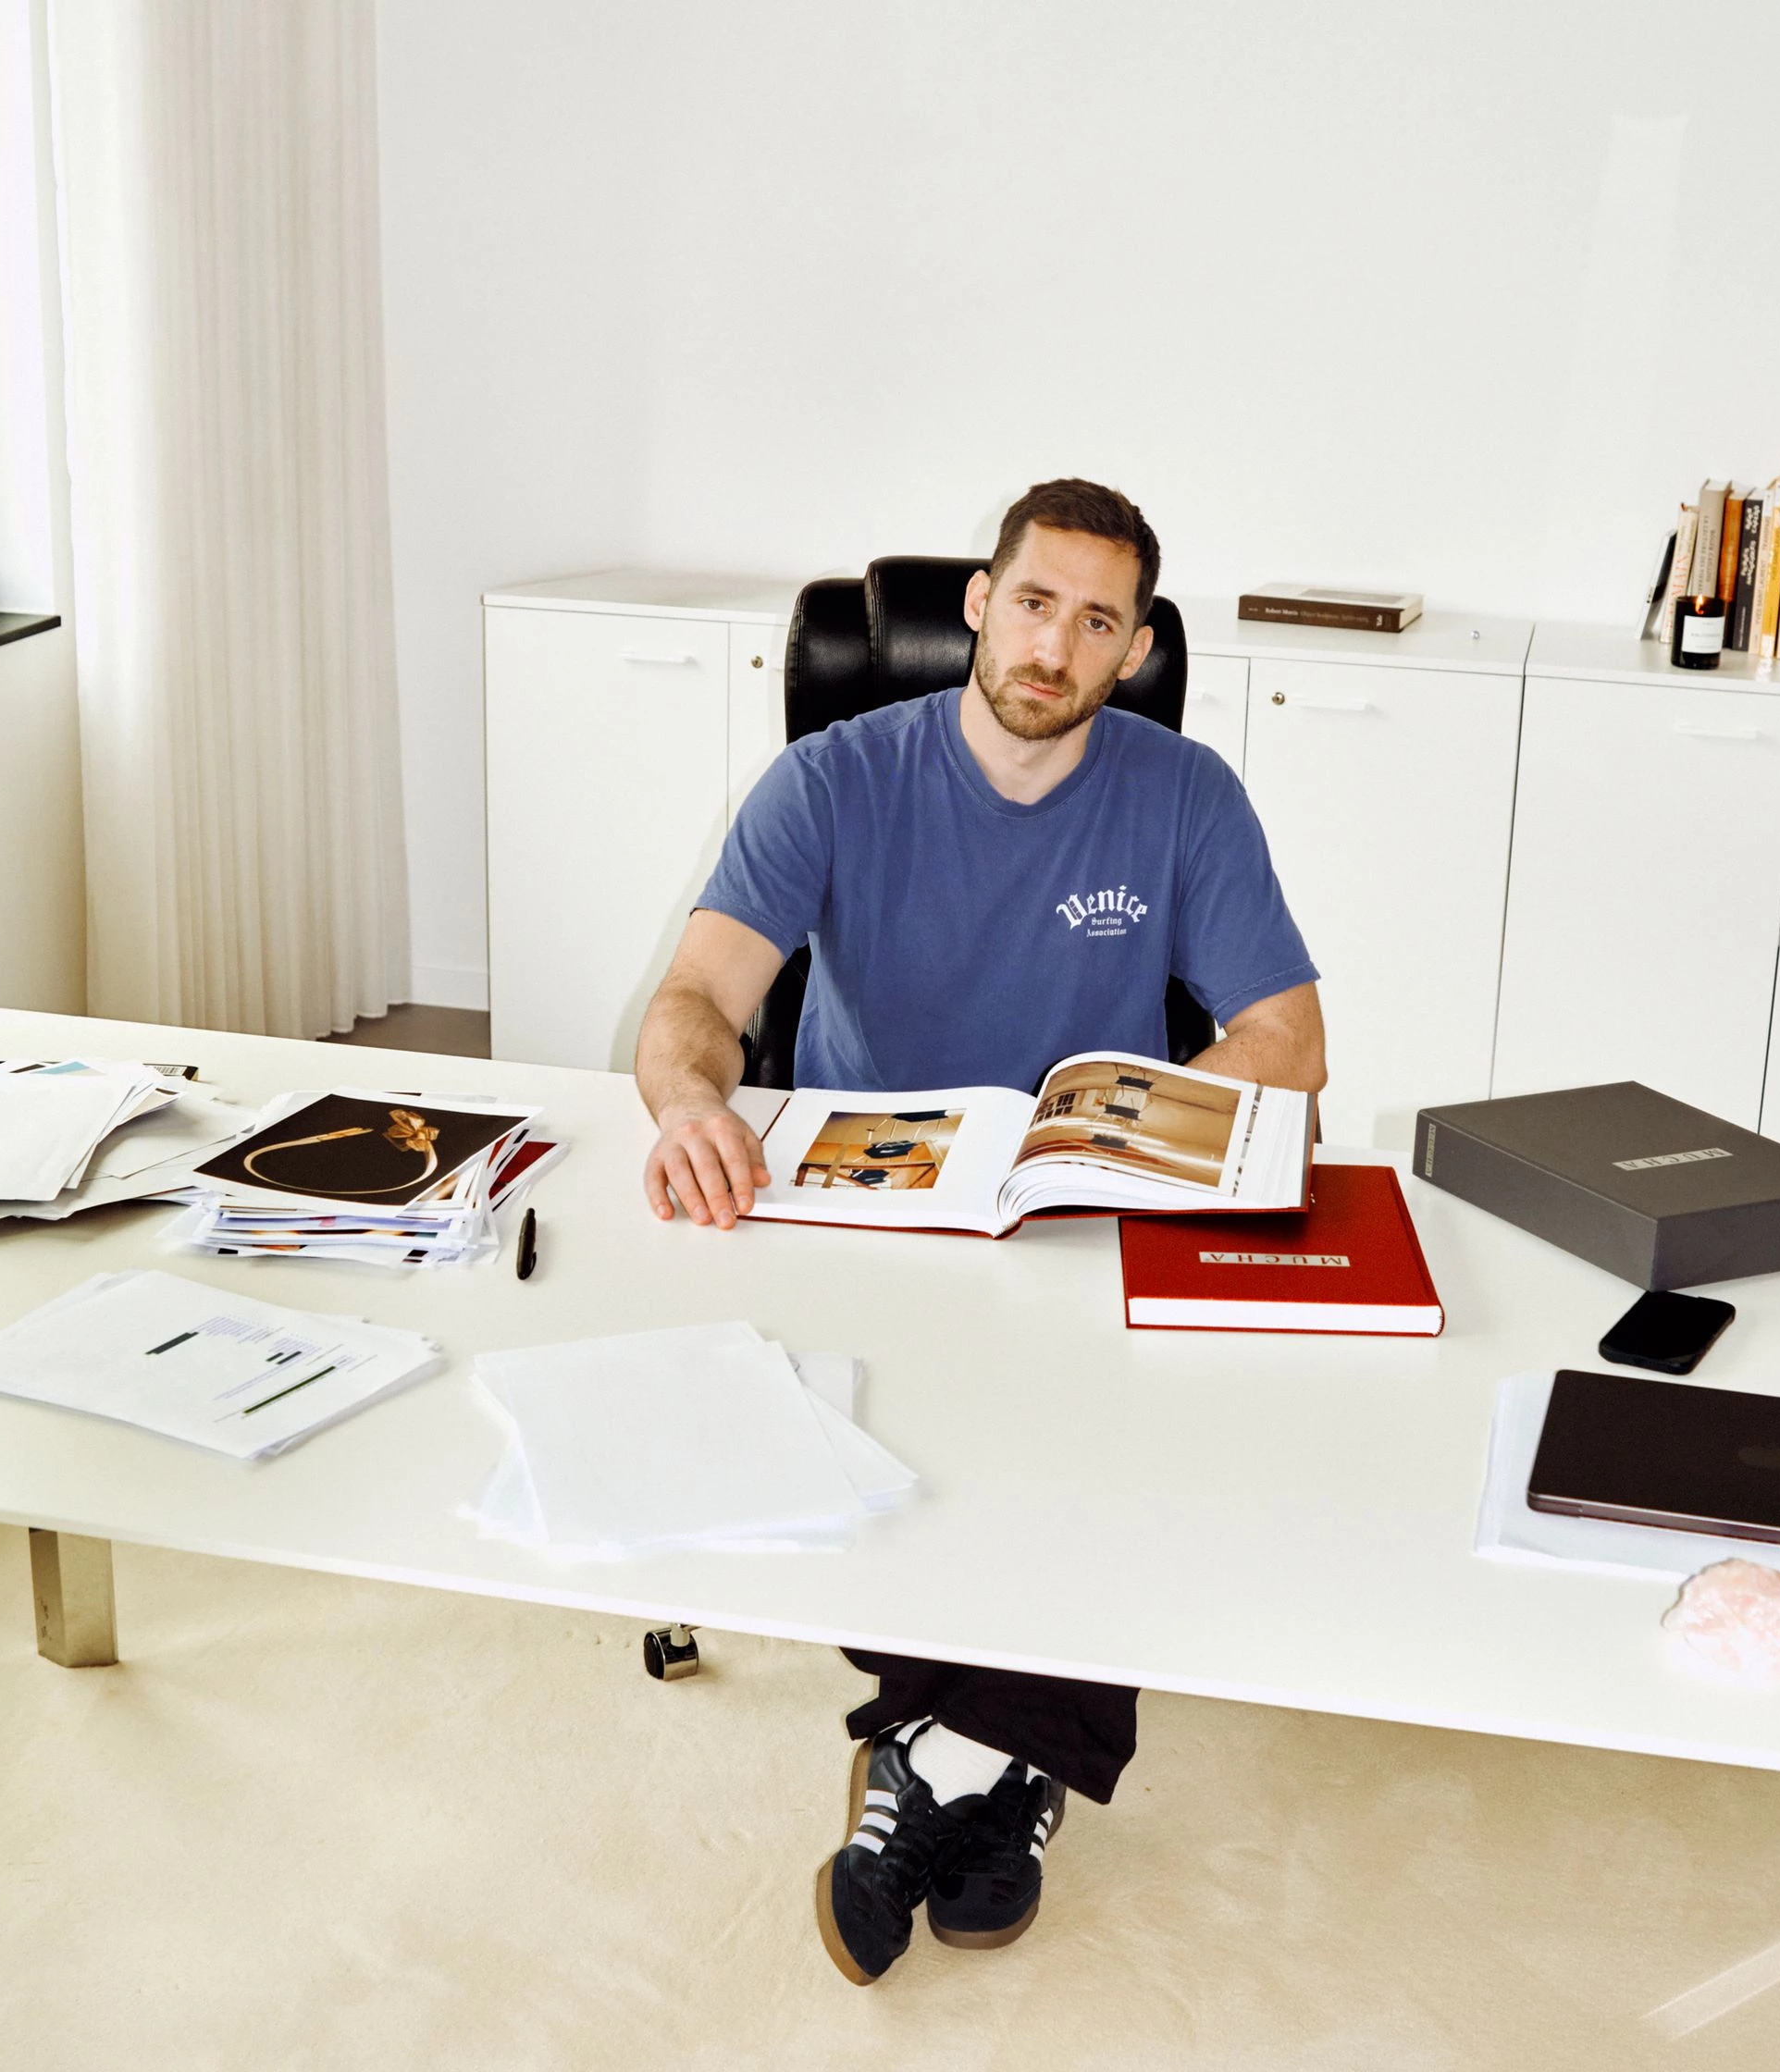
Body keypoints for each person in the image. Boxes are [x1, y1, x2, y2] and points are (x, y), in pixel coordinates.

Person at [633, 477, 1325, 1985]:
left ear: (1135, 649)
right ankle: (1000, 1780)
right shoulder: (832, 778)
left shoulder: (1183, 793)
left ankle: (926, 1772)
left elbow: (1287, 1035)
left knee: (1091, 1458)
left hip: (1085, 1212)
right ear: (978, 602)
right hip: (871, 1211)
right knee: (891, 1463)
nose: (1054, 646)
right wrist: (693, 1107)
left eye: (1097, 622)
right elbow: (695, 1004)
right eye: (1033, 603)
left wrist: (1143, 1119)